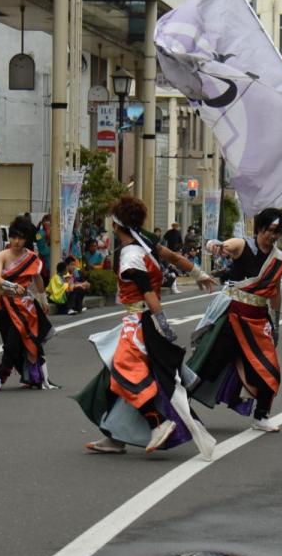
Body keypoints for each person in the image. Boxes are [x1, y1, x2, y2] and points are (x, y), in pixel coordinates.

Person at [76, 195, 217, 456]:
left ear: (117, 226)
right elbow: (174, 257)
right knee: (111, 378)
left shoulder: (130, 255)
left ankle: (158, 423)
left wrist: (161, 322)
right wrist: (199, 273)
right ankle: (114, 437)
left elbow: (148, 293)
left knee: (125, 373)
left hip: (138, 323)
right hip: (142, 321)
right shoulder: (146, 241)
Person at [188, 207, 282, 433]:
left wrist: (277, 323)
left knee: (269, 369)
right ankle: (181, 404)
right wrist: (215, 245)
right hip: (232, 318)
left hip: (259, 320)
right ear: (261, 227)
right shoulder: (243, 245)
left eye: (277, 232)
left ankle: (261, 415)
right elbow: (223, 246)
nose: (272, 236)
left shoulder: (277, 260)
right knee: (209, 364)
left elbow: (275, 293)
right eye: (269, 230)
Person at [0, 216, 55, 390]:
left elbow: (38, 278)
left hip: (23, 306)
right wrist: (12, 285)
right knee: (10, 342)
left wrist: (43, 298)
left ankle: (0, 377)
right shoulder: (2, 255)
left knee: (13, 341)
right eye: (14, 237)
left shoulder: (32, 258)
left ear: (27, 239)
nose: (16, 241)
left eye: (21, 237)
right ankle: (30, 375)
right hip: (2, 305)